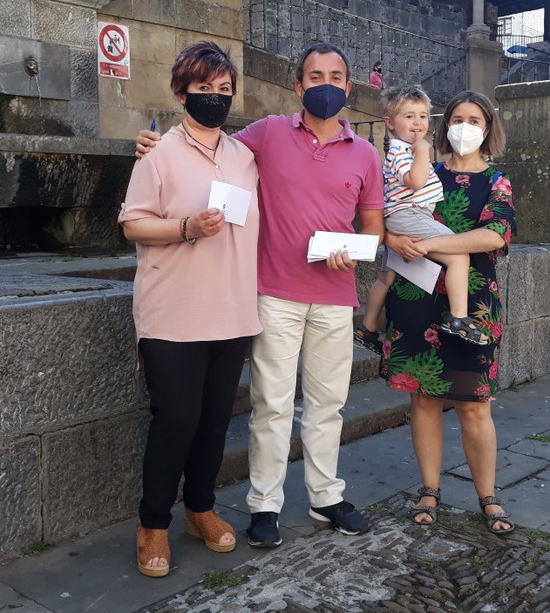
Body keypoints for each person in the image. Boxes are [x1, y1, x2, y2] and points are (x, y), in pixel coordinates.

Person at [137, 42, 385, 548]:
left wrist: (357, 254)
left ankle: (326, 496)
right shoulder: (268, 134)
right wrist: (152, 145)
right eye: (315, 76)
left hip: (335, 294)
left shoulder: (364, 153)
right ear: (298, 86)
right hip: (274, 293)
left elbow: (373, 226)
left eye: (335, 76)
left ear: (349, 87)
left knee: (328, 404)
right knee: (271, 405)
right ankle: (264, 505)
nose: (325, 85)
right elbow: (207, 144)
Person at [120, 40, 261, 577]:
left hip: (230, 310)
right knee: (175, 418)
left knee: (213, 421)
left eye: (225, 90)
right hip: (172, 313)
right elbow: (133, 223)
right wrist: (185, 228)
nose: (216, 98)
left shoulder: (244, 156)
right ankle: (152, 523)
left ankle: (200, 508)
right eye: (205, 89)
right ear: (183, 92)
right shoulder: (157, 154)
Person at [381, 90, 516, 535]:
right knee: (424, 398)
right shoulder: (423, 173)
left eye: (474, 119)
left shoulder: (496, 181)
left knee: (474, 405)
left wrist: (431, 244)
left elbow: (494, 235)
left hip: (472, 305)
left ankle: (488, 495)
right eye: (457, 118)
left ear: (488, 128)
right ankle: (429, 489)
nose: (465, 126)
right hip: (417, 297)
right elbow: (389, 214)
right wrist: (390, 238)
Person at [354, 85, 489, 356]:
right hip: (409, 213)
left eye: (423, 116)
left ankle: (366, 328)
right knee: (459, 256)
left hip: (401, 215)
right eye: (409, 116)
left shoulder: (404, 151)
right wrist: (424, 152)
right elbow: (414, 182)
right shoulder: (402, 152)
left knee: (386, 276)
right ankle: (459, 317)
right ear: (390, 123)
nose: (418, 123)